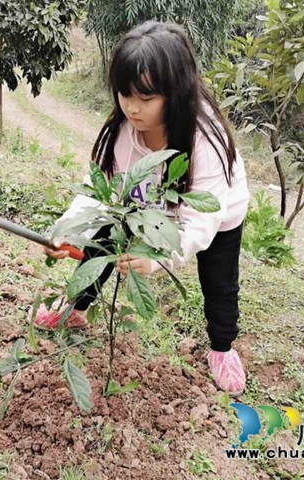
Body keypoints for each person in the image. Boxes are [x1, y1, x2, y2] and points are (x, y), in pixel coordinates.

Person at [31, 21, 250, 396]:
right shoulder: (121, 132)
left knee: (219, 282)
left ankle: (222, 348)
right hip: (143, 205)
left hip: (215, 215)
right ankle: (76, 309)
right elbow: (98, 192)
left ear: (175, 93)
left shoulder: (205, 143)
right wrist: (67, 231)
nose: (132, 108)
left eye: (146, 98)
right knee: (101, 241)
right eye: (124, 94)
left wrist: (158, 259)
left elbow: (201, 223)